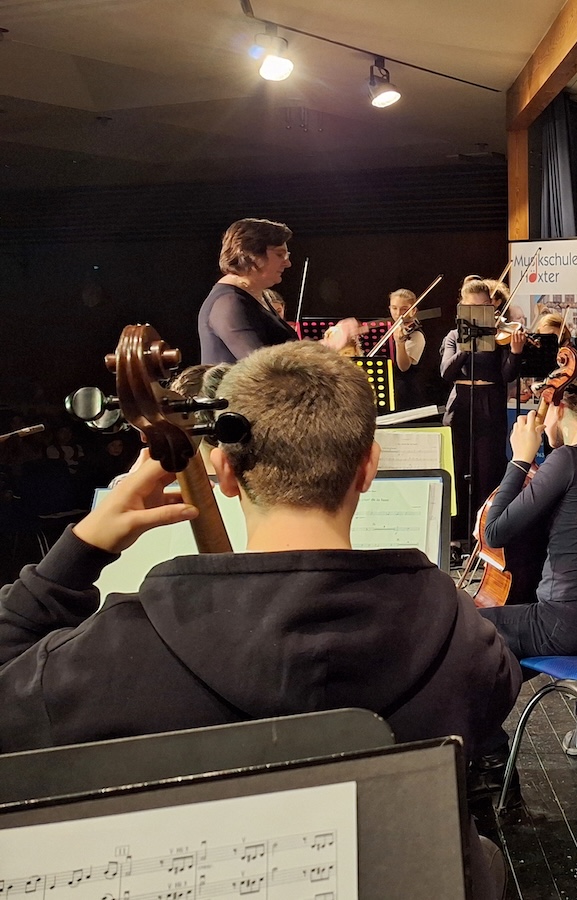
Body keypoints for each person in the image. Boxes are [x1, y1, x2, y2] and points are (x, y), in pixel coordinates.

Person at [0, 341, 519, 897]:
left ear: (223, 468)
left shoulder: (115, 652)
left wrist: (78, 549)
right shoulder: (466, 639)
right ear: (368, 467)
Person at [479, 368, 577, 651]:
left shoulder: (567, 460)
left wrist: (520, 459)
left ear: (560, 407)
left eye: (545, 407)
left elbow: (494, 533)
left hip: (560, 624)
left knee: (462, 625)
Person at [198, 218, 358, 364]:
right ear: (251, 255)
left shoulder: (255, 296)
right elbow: (263, 365)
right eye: (280, 254)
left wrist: (326, 343)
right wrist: (329, 346)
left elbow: (282, 351)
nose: (287, 263)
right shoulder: (229, 303)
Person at [441, 276, 525, 527]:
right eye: (474, 308)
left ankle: (484, 531)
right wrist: (467, 346)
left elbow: (507, 375)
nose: (481, 312)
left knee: (488, 471)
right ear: (462, 308)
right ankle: (455, 535)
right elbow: (446, 372)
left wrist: (516, 353)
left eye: (485, 306)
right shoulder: (454, 336)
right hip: (461, 407)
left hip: (490, 406)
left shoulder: (500, 335)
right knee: (457, 471)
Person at [386, 288, 430, 411]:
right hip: (392, 390)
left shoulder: (416, 335)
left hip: (407, 394)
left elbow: (404, 367)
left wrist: (399, 343)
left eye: (404, 309)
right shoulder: (392, 329)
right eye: (394, 308)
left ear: (413, 310)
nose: (398, 313)